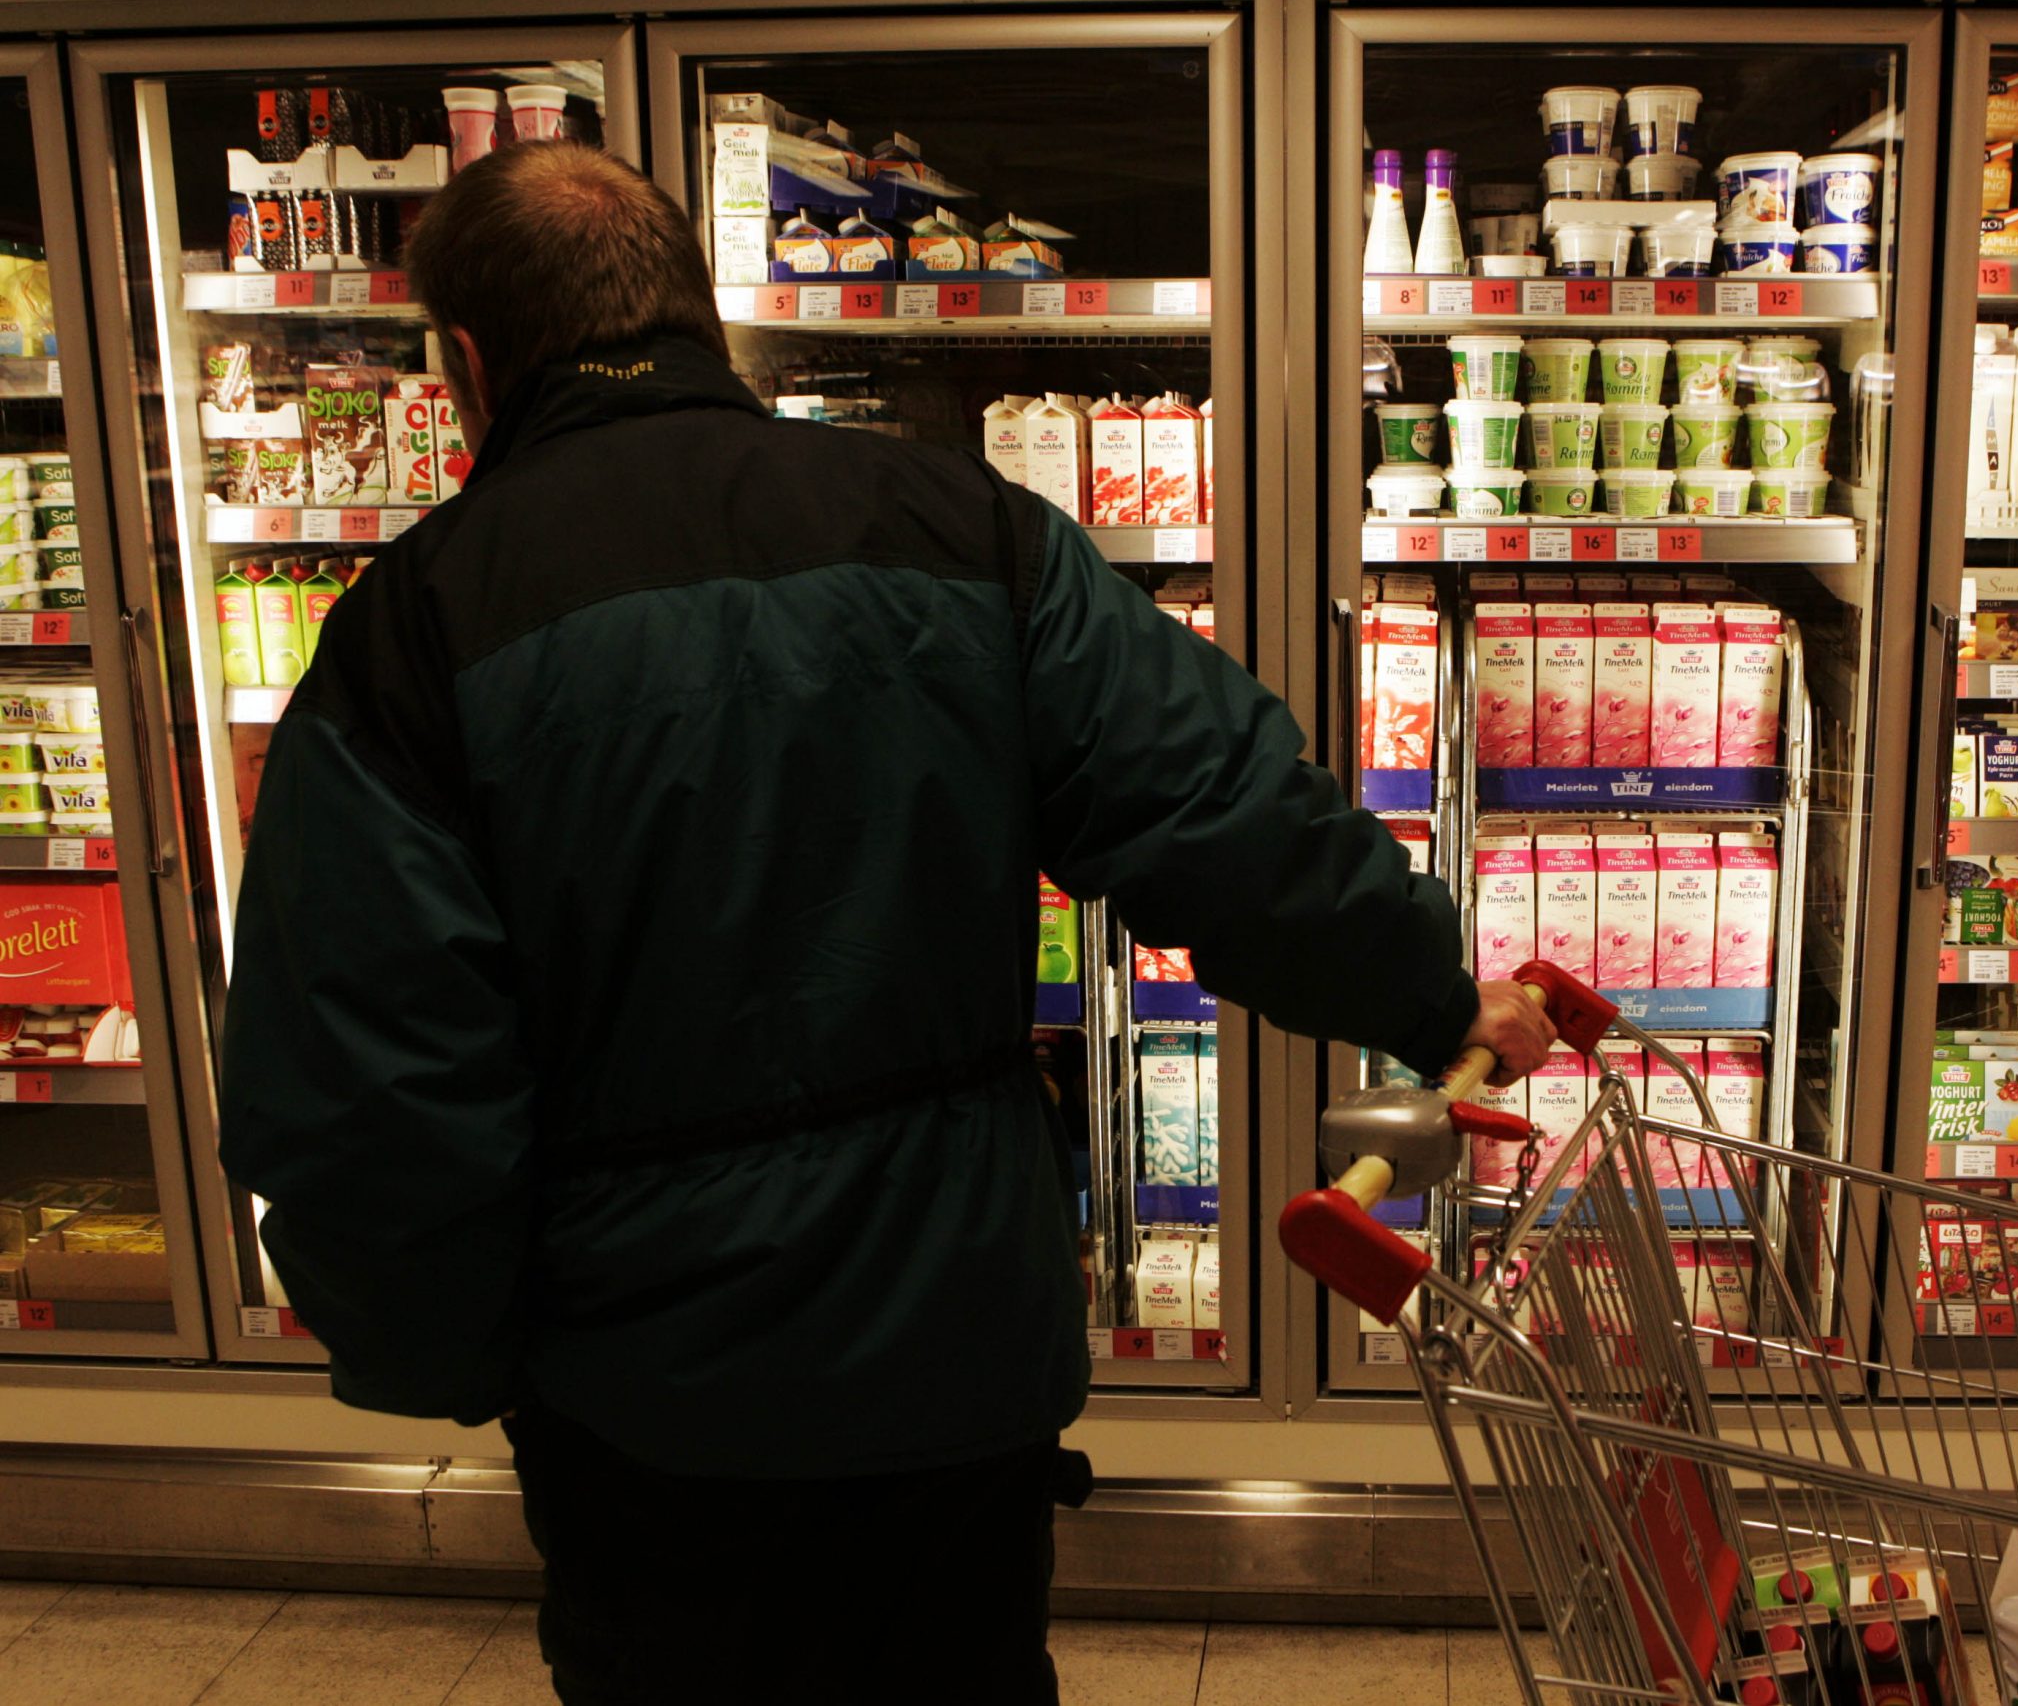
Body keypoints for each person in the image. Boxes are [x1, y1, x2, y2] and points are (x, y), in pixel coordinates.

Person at [217, 143, 1556, 1703]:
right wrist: (1431, 992)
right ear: (699, 317)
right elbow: (1222, 808)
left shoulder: (412, 630)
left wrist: (442, 1354)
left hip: (646, 1400)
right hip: (952, 1354)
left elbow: (370, 1076)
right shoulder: (960, 530)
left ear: (468, 363)